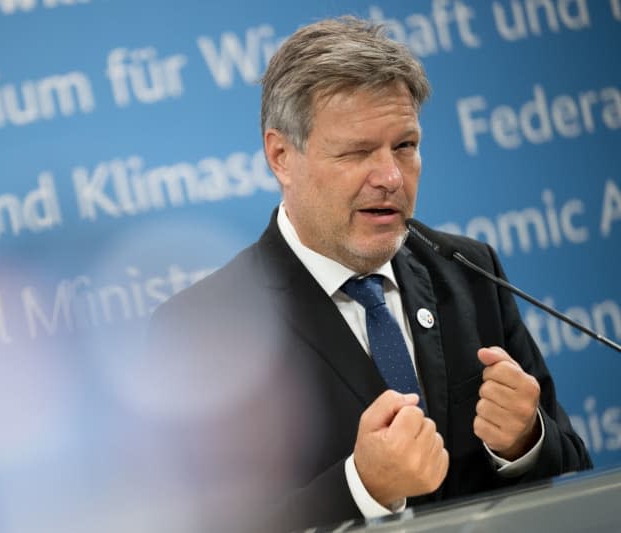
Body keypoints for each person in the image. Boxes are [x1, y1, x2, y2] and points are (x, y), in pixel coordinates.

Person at [146, 15, 591, 532]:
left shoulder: (469, 272)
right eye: (357, 152)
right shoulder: (205, 325)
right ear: (281, 156)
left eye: (405, 146)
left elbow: (573, 467)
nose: (390, 177)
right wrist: (362, 487)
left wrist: (524, 443)